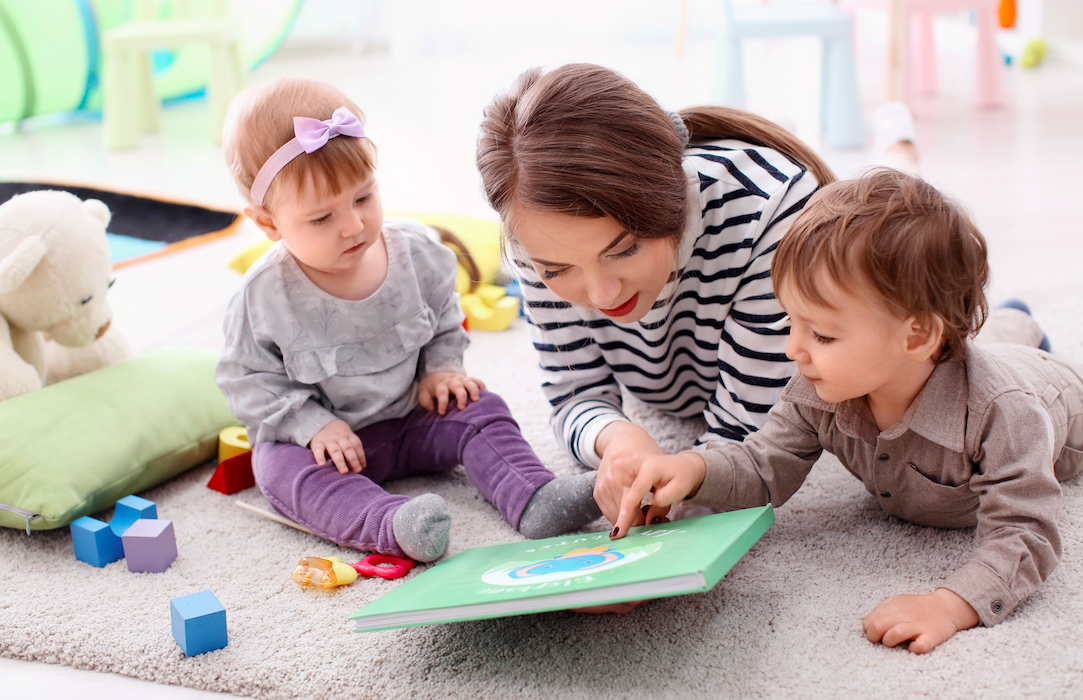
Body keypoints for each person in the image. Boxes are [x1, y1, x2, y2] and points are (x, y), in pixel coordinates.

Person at [605, 168, 1083, 653]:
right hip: (953, 355)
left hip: (1058, 394)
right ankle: (1013, 318)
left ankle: (1020, 323)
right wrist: (692, 467)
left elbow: (1025, 531)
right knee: (992, 338)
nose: (793, 349)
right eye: (791, 322)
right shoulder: (820, 388)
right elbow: (764, 463)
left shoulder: (1004, 415)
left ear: (916, 335)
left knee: (1005, 357)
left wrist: (950, 604)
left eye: (823, 334)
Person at [215, 75, 601, 563]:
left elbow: (443, 315)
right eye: (321, 218)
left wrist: (441, 370)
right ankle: (394, 525)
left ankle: (533, 496)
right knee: (277, 470)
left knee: (482, 407)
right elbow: (246, 380)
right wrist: (311, 425)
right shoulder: (262, 296)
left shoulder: (417, 251)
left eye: (363, 197)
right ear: (268, 223)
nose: (353, 226)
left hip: (415, 414)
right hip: (327, 445)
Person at [475, 63, 836, 526]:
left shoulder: (772, 214)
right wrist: (617, 439)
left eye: (624, 250)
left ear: (673, 199)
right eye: (559, 270)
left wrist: (664, 528)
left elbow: (752, 441)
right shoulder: (534, 230)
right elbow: (573, 392)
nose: (602, 294)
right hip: (678, 389)